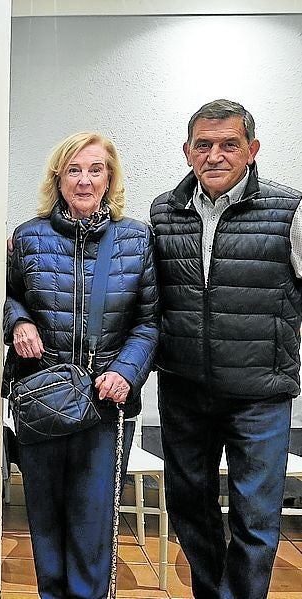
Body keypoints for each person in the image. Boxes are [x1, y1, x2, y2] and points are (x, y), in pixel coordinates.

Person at [150, 99, 302, 599]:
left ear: (252, 150)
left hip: (260, 396)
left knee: (255, 521)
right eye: (204, 144)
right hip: (184, 392)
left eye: (229, 144)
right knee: (191, 514)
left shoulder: (291, 211)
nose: (215, 155)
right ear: (188, 151)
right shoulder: (164, 211)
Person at [5, 132, 158, 599]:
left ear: (110, 178)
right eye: (74, 169)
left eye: (96, 169)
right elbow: (5, 297)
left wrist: (126, 373)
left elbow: (150, 323)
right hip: (43, 403)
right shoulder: (28, 237)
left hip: (104, 406)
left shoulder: (135, 239)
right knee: (45, 523)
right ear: (59, 177)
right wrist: (18, 322)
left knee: (93, 530)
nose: (85, 180)